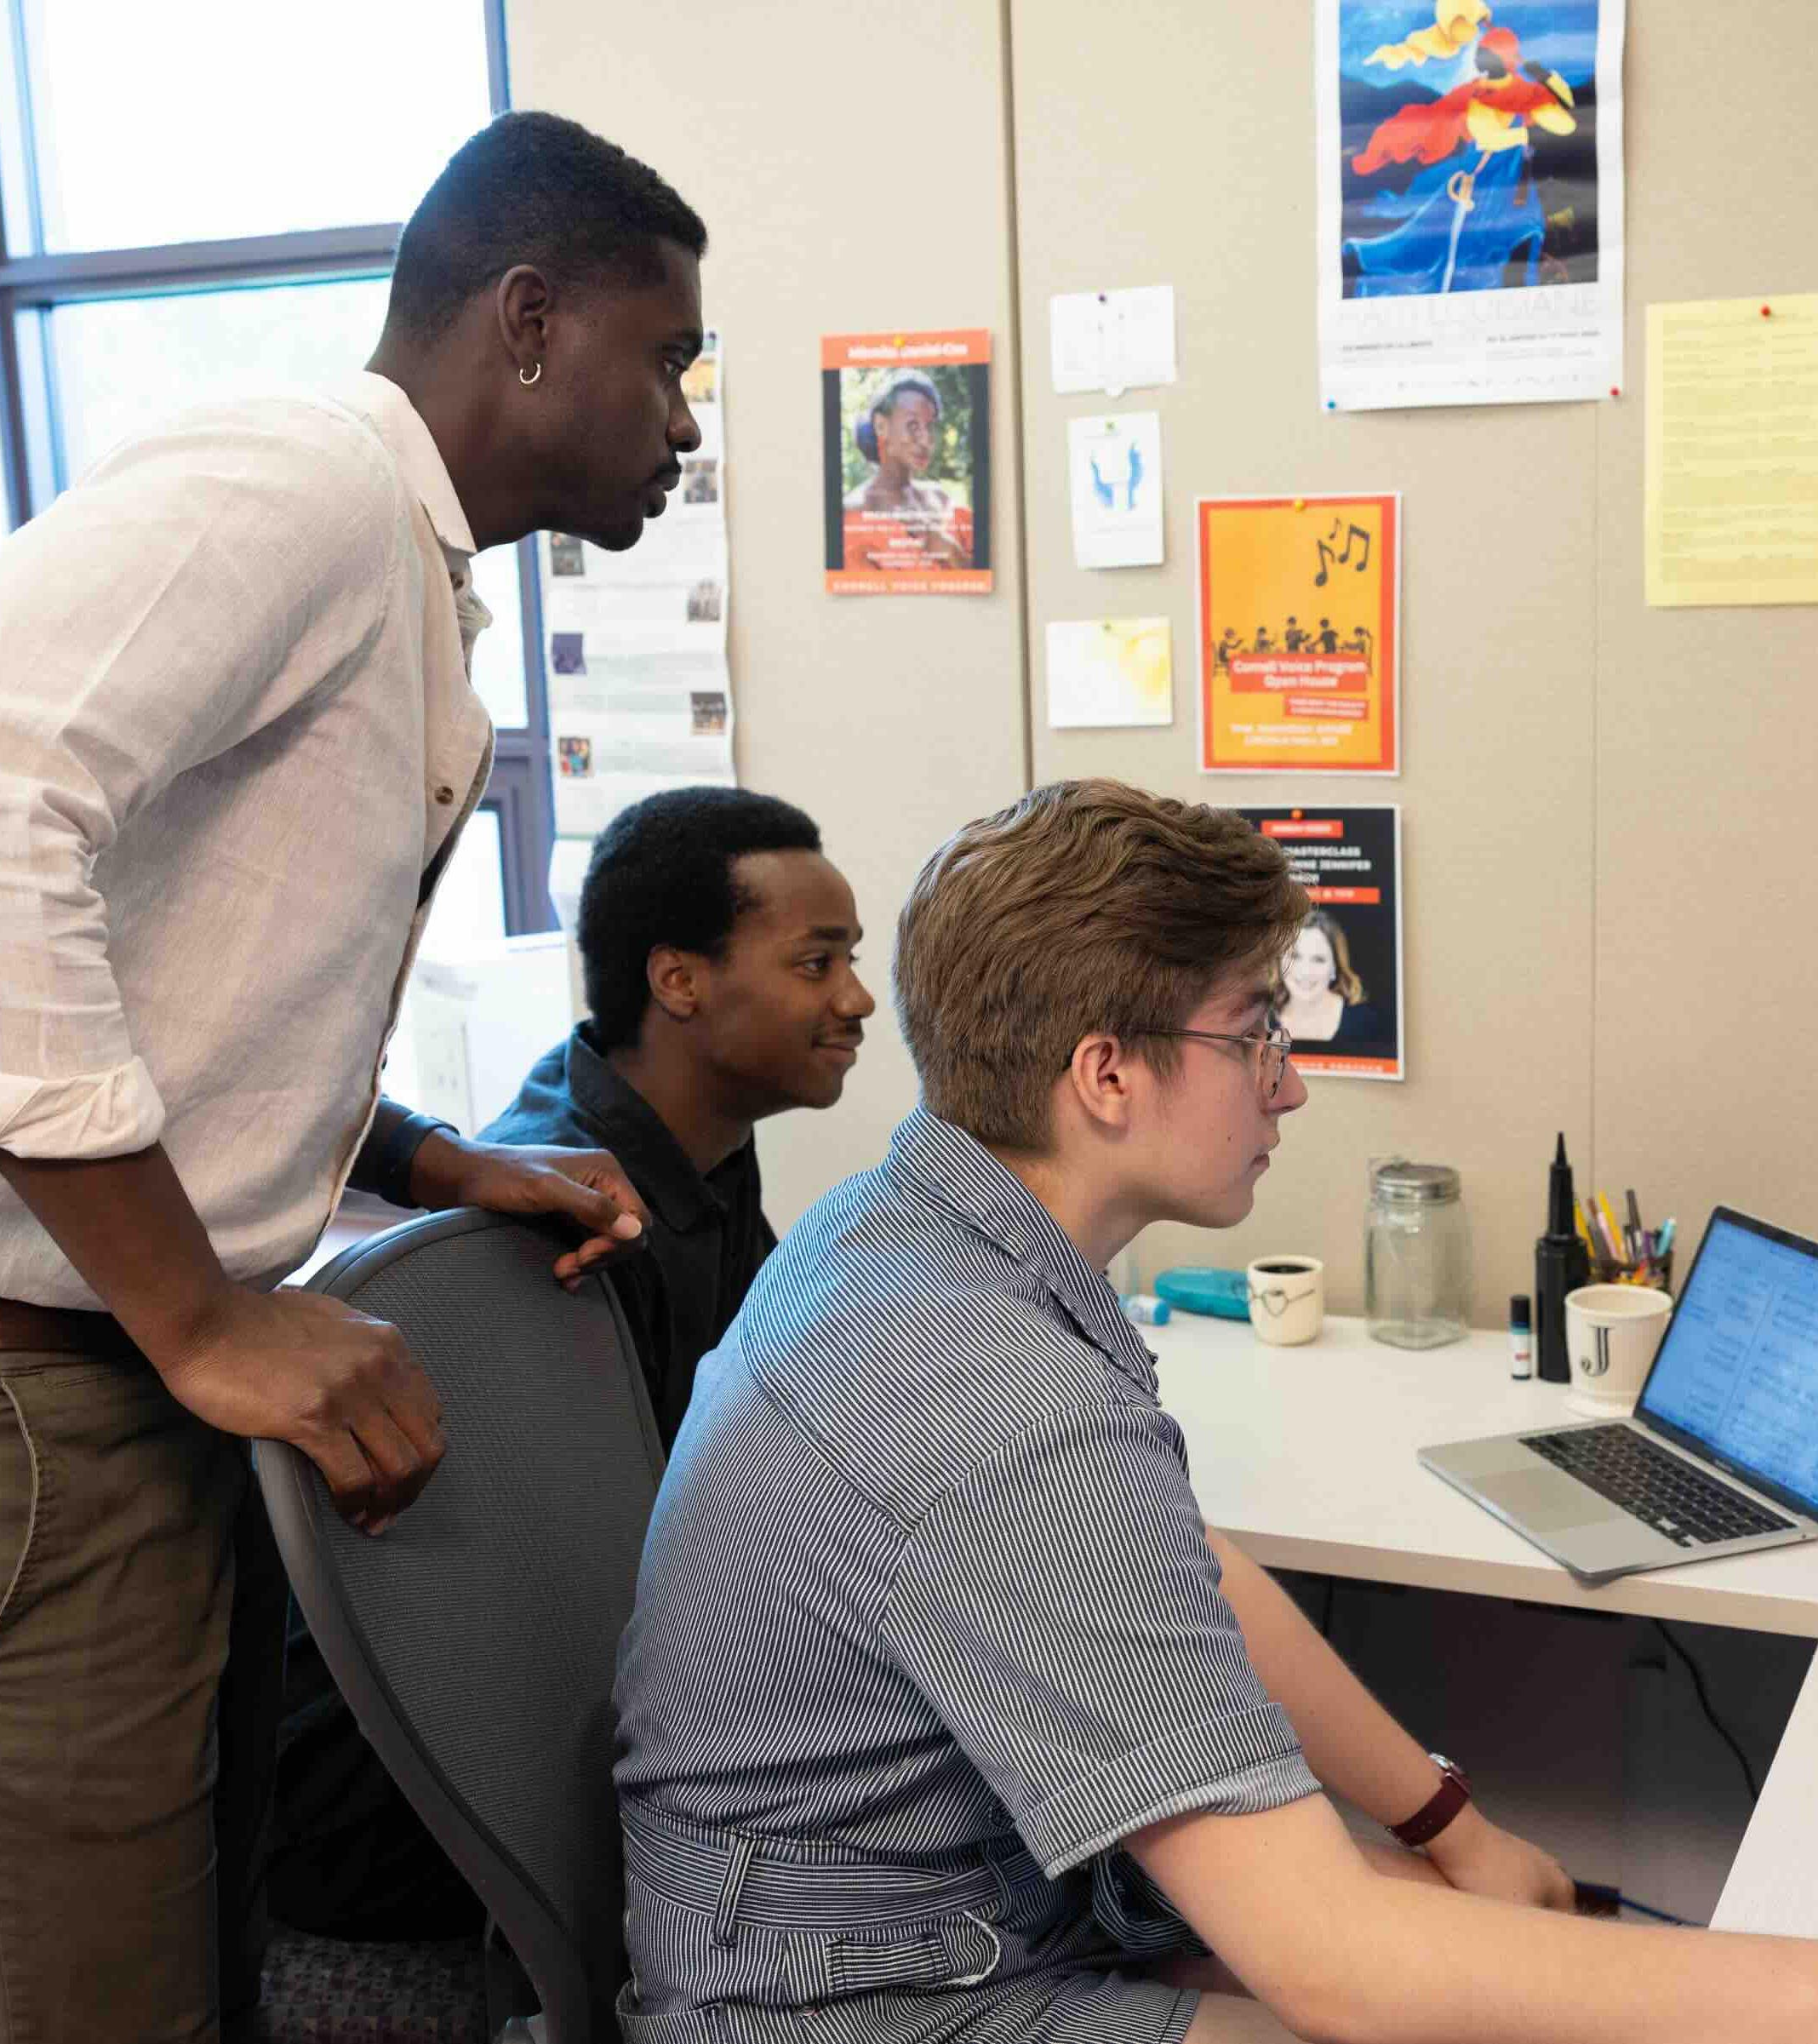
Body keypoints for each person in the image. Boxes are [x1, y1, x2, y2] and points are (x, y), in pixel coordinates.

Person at [0, 108, 710, 2044]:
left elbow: (175, 978)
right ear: (528, 323)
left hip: (71, 1393)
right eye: (668, 360)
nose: (685, 426)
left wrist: (422, 1156)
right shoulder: (302, 487)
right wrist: (202, 1310)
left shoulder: (397, 566)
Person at [613, 778, 1818, 2044]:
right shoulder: (1000, 1410)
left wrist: (1447, 1824)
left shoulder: (904, 1222)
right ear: (1108, 1074)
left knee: (1491, 1951)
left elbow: (1180, 1567)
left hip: (938, 1901)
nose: (1287, 1090)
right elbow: (1336, 1970)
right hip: (846, 2000)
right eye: (1255, 1037)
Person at [268, 785, 872, 1941]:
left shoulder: (695, 1158)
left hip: (580, 1709)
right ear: (679, 982)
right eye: (816, 963)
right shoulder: (557, 1219)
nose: (855, 999)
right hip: (422, 1806)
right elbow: (592, 1587)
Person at [841, 369, 972, 572]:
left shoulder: (941, 499)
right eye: (913, 425)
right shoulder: (854, 515)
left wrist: (951, 550)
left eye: (930, 426)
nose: (926, 439)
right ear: (881, 426)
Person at [1272, 907, 1387, 1047]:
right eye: (1295, 957)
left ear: (1335, 968)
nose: (1305, 971)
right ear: (1280, 961)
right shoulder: (1258, 1019)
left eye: (1318, 959)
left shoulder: (1366, 1024)